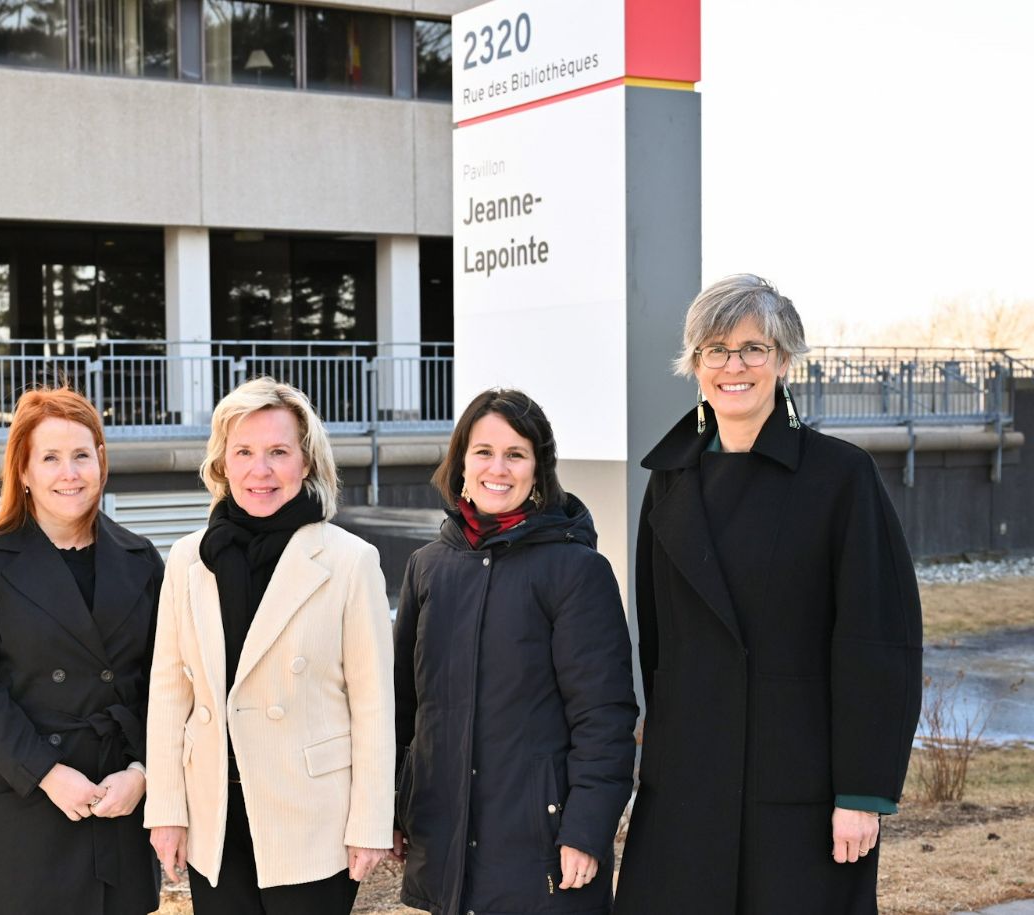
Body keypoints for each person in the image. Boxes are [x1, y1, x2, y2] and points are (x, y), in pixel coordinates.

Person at [614, 274, 924, 915]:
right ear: (694, 364)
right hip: (687, 786)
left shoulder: (841, 476)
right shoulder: (667, 483)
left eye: (754, 348)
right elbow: (658, 647)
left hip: (801, 788)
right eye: (716, 350)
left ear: (783, 359)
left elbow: (878, 641)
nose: (735, 366)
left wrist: (862, 792)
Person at [143, 377, 395, 915]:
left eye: (279, 452)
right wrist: (167, 810)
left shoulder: (350, 561)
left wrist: (371, 822)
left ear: (305, 463)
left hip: (311, 818)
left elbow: (374, 702)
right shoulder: (188, 560)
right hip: (216, 815)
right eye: (245, 452)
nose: (262, 469)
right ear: (222, 464)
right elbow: (168, 692)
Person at [392, 388, 638, 915]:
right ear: (461, 462)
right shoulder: (428, 566)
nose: (497, 468)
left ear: (538, 469)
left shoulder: (576, 571)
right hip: (444, 837)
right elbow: (403, 707)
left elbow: (605, 716)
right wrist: (395, 809)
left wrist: (587, 829)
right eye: (483, 452)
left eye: (515, 454)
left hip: (543, 845)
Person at [0, 387, 164, 915]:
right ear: (23, 471)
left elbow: (166, 683)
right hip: (25, 797)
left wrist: (143, 773)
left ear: (101, 462)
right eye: (51, 458)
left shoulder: (140, 558)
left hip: (118, 797)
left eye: (82, 455)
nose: (70, 473)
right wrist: (47, 773)